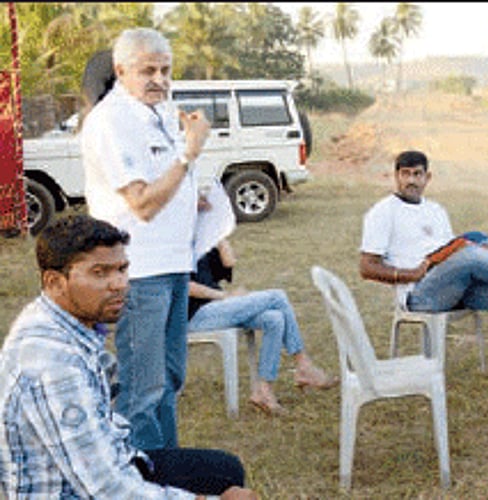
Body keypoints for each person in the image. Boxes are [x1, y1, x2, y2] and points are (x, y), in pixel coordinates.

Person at [0, 215, 256, 499]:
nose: (119, 284)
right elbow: (107, 489)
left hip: (98, 471)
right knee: (224, 485)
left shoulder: (62, 321)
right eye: (100, 273)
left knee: (223, 469)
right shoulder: (53, 363)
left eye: (122, 269)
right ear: (54, 281)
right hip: (70, 491)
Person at [80, 27, 211, 451]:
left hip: (173, 265)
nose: (159, 79)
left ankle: (164, 473)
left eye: (166, 69)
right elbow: (142, 203)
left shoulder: (156, 111)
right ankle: (135, 482)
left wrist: (195, 194)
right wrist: (189, 154)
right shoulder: (111, 121)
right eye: (147, 70)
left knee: (169, 380)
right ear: (120, 70)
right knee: (141, 390)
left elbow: (165, 184)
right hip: (140, 272)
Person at [359, 150, 488, 402]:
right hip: (421, 293)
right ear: (396, 177)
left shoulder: (436, 210)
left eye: (417, 174)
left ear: (427, 177)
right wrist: (410, 274)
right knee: (471, 256)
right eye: (405, 174)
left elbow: (450, 256)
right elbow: (366, 267)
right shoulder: (383, 212)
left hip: (456, 288)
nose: (411, 180)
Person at [187, 240, 339, 416]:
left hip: (215, 308)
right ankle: (303, 365)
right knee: (277, 297)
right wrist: (225, 296)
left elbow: (229, 263)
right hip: (193, 315)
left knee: (274, 319)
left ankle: (263, 390)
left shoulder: (201, 237)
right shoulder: (177, 241)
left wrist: (220, 236)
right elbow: (186, 287)